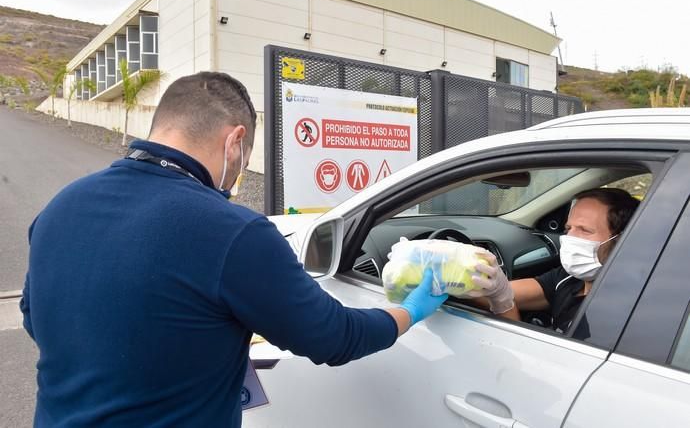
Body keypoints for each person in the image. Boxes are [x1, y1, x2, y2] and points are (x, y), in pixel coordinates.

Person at [20, 72, 447, 427]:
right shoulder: (233, 232)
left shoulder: (61, 206)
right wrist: (411, 310)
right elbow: (334, 337)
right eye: (243, 158)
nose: (239, 169)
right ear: (235, 142)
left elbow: (34, 316)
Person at [471, 188, 640, 333]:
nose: (569, 237)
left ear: (621, 240)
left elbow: (527, 355)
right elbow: (495, 292)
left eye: (584, 230)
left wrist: (502, 301)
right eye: (568, 228)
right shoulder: (568, 279)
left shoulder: (625, 309)